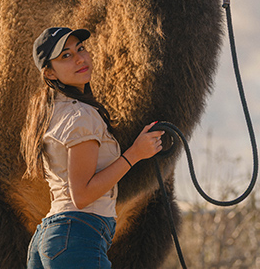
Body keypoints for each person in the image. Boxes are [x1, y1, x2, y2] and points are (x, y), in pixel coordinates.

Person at [22, 26, 164, 268]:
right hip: (76, 235)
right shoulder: (81, 115)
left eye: (81, 49)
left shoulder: (52, 112)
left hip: (51, 238)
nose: (80, 58)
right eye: (65, 56)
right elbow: (83, 195)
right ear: (50, 73)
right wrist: (135, 154)